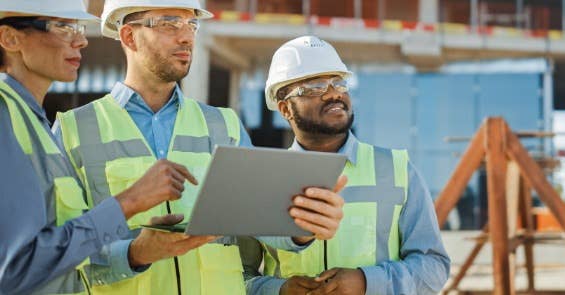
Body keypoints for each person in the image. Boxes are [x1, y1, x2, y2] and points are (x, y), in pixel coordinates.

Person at [53, 2, 346, 294]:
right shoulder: (73, 131)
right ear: (130, 36)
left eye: (191, 25)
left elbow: (261, 224)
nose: (187, 37)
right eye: (170, 24)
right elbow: (56, 253)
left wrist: (303, 227)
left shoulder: (225, 125)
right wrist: (135, 253)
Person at [0, 1, 211, 294]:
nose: (81, 40)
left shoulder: (31, 121)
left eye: (78, 28)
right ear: (10, 39)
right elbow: (14, 269)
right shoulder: (7, 117)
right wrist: (129, 202)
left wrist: (138, 251)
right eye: (63, 27)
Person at [242, 36, 451, 295]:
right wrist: (279, 290)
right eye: (316, 86)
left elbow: (434, 267)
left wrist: (367, 282)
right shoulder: (262, 182)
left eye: (339, 82)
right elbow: (238, 275)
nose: (334, 94)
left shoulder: (397, 170)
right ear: (285, 109)